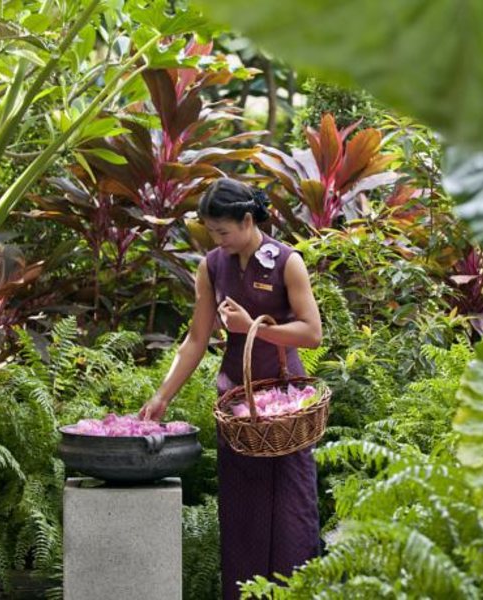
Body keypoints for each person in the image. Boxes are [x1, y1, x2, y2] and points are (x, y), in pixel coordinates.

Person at [138, 177, 323, 599]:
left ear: (247, 220)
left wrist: (251, 327)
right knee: (242, 520)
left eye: (222, 231)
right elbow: (195, 339)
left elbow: (312, 333)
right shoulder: (212, 266)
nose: (217, 241)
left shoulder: (287, 262)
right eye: (211, 232)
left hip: (285, 409)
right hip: (236, 408)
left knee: (292, 516)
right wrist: (162, 395)